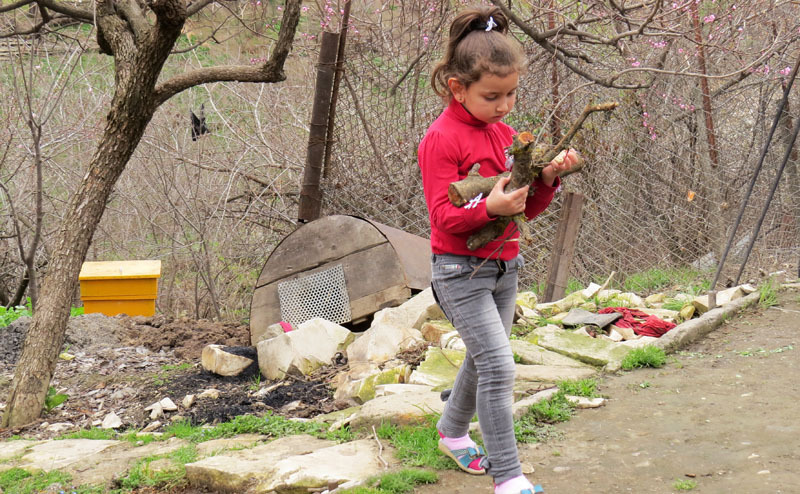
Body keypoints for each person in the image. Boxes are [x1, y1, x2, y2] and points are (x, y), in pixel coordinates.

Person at [417, 6, 581, 494]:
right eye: (492, 96)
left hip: (505, 265)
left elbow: (524, 211)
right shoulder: (441, 139)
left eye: (511, 94)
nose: (505, 105)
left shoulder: (506, 135)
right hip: (459, 272)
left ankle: (451, 432)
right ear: (457, 88)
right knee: (498, 365)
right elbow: (443, 217)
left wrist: (547, 178)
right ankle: (508, 477)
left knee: (483, 357)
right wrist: (488, 205)